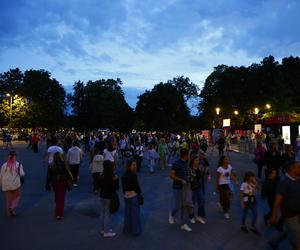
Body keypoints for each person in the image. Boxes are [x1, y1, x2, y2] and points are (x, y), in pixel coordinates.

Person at [270, 160, 300, 250]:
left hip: (298, 212)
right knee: (297, 232)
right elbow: (277, 201)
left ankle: (274, 241)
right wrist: (274, 215)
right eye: (298, 167)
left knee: (290, 230)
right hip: (290, 214)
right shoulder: (284, 183)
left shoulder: (298, 179)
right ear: (292, 169)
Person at [169, 148, 192, 232]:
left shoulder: (186, 163)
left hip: (185, 188)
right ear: (186, 155)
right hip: (177, 187)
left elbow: (186, 174)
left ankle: (183, 224)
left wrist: (188, 177)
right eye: (188, 155)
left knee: (183, 206)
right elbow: (171, 175)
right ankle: (172, 214)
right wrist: (180, 180)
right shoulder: (176, 164)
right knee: (178, 206)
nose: (189, 156)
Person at [46, 152, 73, 220]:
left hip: (54, 182)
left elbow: (49, 175)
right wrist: (70, 181)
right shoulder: (64, 164)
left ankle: (58, 209)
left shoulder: (51, 165)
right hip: (63, 182)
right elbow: (68, 173)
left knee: (57, 195)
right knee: (61, 197)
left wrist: (47, 183)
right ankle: (59, 213)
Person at [97, 160, 119, 238]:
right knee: (107, 214)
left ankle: (102, 229)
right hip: (109, 196)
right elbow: (117, 187)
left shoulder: (101, 174)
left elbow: (98, 185)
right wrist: (116, 180)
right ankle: (107, 231)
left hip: (102, 195)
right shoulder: (113, 176)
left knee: (102, 212)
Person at [0, 151, 25, 217]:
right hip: (15, 184)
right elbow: (22, 174)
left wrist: (1, 183)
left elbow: (1, 175)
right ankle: (12, 207)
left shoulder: (4, 165)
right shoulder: (18, 165)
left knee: (8, 199)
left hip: (6, 184)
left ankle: (9, 212)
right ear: (15, 157)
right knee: (17, 196)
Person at [122, 159, 142, 236]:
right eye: (133, 165)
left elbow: (123, 188)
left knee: (127, 214)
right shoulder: (133, 175)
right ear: (129, 166)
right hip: (133, 196)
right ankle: (136, 231)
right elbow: (137, 187)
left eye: (135, 165)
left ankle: (126, 230)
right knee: (135, 215)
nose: (135, 166)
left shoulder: (124, 175)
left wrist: (125, 193)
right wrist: (138, 192)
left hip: (126, 196)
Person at [189, 156, 207, 224]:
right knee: (192, 204)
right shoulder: (190, 169)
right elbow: (189, 178)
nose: (197, 162)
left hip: (199, 188)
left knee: (202, 202)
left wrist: (207, 174)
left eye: (198, 160)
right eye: (196, 160)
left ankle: (199, 216)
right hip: (192, 189)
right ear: (193, 161)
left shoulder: (200, 168)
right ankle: (191, 216)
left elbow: (202, 178)